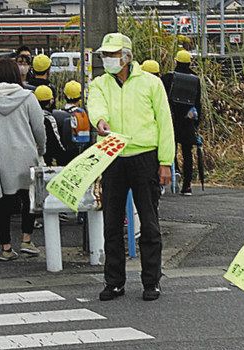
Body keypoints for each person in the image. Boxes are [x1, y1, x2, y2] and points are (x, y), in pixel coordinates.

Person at [88, 33, 174, 301]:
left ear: (126, 55)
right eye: (106, 55)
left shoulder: (151, 83)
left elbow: (165, 122)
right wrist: (99, 121)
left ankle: (152, 281)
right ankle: (114, 282)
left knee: (149, 223)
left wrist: (165, 162)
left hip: (145, 157)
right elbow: (96, 105)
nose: (108, 60)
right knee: (111, 223)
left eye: (113, 55)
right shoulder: (100, 84)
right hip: (112, 157)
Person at [0, 58, 46, 261]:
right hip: (26, 155)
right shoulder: (28, 97)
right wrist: (41, 149)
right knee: (30, 199)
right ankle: (26, 240)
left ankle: (6, 248)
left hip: (0, 157)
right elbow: (39, 128)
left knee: (3, 204)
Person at [162, 50, 202, 196]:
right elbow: (198, 104)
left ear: (176, 61)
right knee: (187, 153)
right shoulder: (195, 79)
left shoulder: (168, 77)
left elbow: (162, 99)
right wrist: (196, 124)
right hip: (188, 122)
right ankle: (187, 186)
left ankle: (175, 172)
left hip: (171, 120)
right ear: (189, 62)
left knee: (170, 150)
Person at [35, 85, 77, 166]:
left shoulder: (30, 116)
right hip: (45, 161)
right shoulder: (49, 119)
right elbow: (56, 145)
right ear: (51, 101)